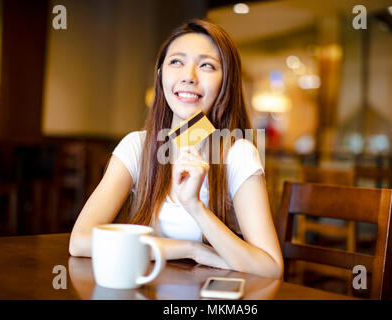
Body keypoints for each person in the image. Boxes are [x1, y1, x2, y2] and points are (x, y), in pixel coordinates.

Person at [69, 19, 283, 279]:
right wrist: (193, 249)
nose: (188, 77)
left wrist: (194, 206)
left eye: (206, 65)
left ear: (226, 81)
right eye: (176, 62)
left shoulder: (238, 154)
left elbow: (271, 269)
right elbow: (79, 242)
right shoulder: (137, 146)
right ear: (160, 74)